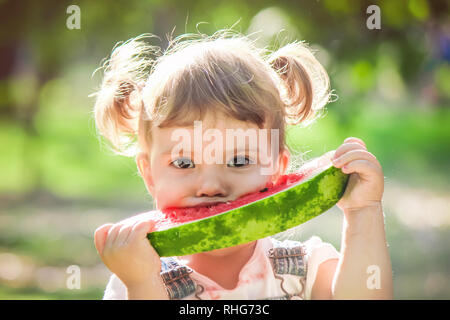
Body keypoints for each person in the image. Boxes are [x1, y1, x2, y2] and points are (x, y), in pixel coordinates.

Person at [91, 30, 393, 300]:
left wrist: (362, 213)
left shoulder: (305, 269)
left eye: (238, 161)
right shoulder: (134, 279)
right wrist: (142, 284)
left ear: (277, 168)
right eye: (183, 162)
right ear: (149, 174)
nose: (211, 186)